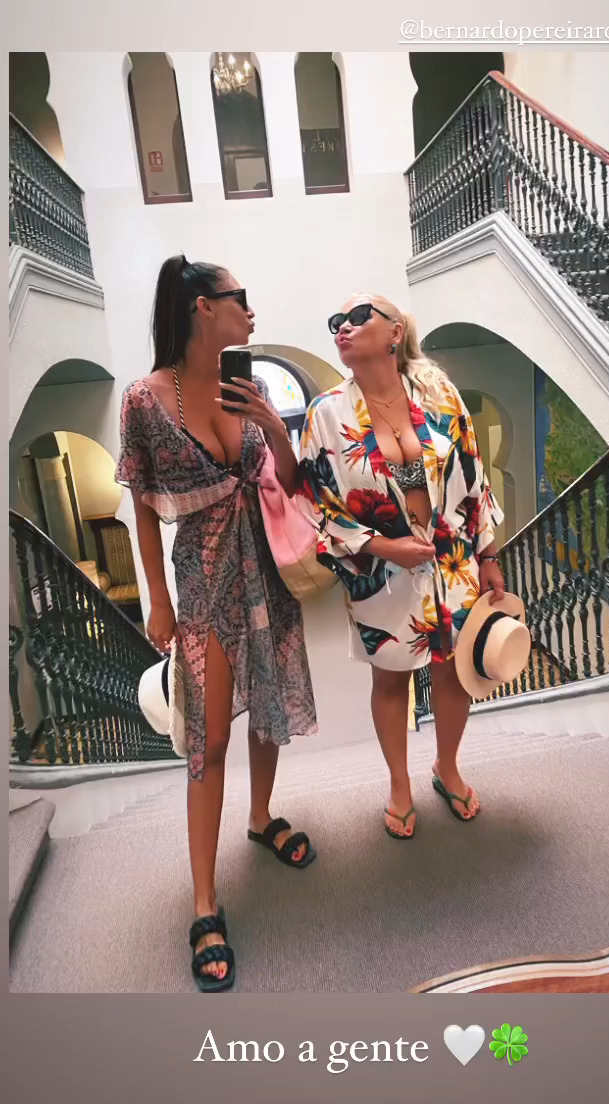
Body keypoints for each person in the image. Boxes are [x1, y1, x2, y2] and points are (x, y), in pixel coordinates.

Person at [116, 255, 317, 992]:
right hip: (202, 584)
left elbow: (288, 482)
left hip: (266, 572)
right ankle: (204, 903)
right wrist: (156, 600)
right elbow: (143, 505)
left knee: (267, 710)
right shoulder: (145, 399)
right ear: (203, 306)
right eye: (240, 298)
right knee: (208, 739)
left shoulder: (248, 386)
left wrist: (270, 424)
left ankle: (261, 818)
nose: (250, 311)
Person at [297, 294, 504, 840]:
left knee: (454, 674)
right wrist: (385, 548)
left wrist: (489, 554)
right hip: (380, 575)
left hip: (452, 562)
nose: (343, 327)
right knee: (390, 682)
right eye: (335, 322)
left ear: (395, 332)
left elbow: (474, 475)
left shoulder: (438, 392)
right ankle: (398, 783)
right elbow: (318, 505)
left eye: (358, 316)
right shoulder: (326, 414)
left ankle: (447, 767)